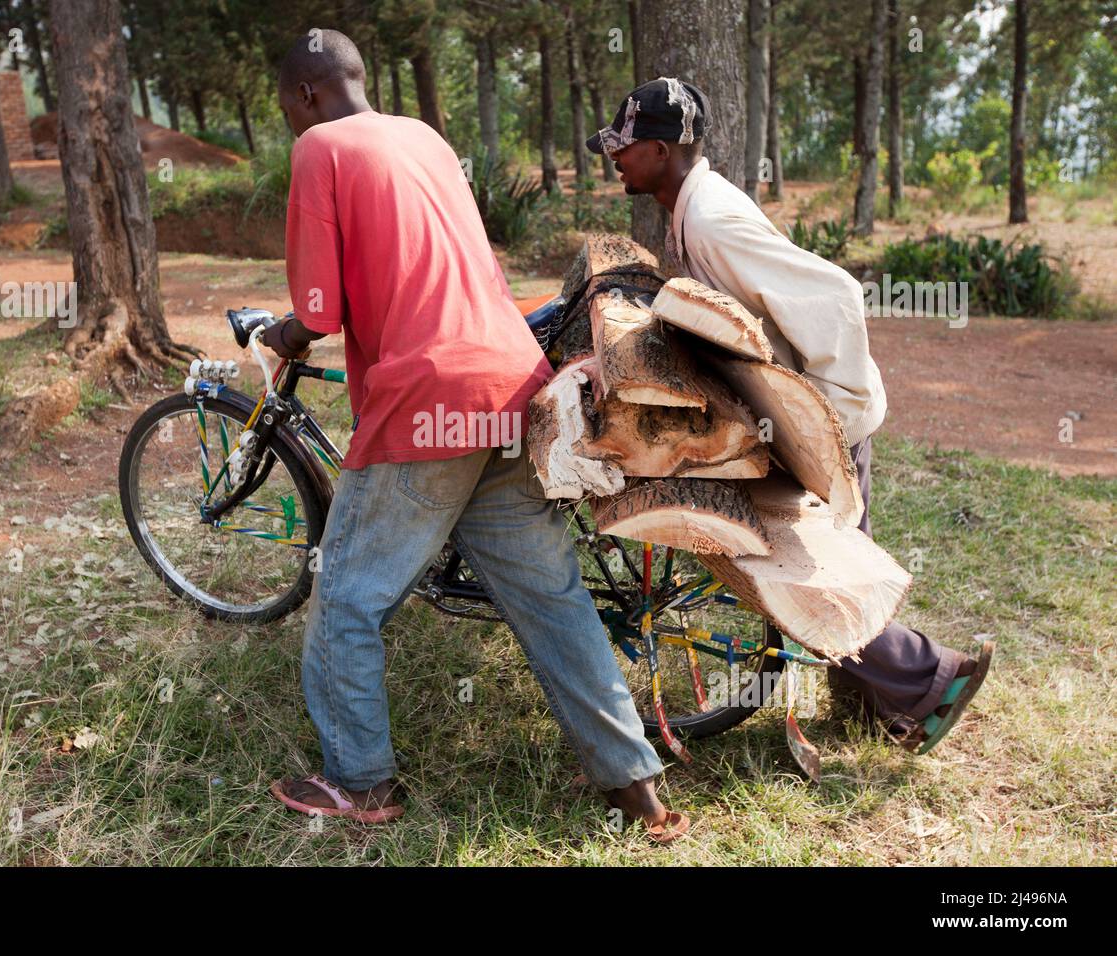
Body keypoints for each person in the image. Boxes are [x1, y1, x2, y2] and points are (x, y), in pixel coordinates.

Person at [257, 30, 686, 841]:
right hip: (510, 385)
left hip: (427, 402)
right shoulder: (423, 136)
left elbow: (317, 311)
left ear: (307, 94)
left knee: (347, 597)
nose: (289, 120)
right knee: (554, 603)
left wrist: (279, 336)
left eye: (285, 105)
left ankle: (358, 782)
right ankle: (639, 792)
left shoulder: (320, 147)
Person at [589, 77, 994, 754]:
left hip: (823, 421)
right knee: (833, 564)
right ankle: (883, 706)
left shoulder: (714, 219)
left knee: (814, 580)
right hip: (798, 418)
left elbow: (834, 295)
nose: (615, 159)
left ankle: (934, 680)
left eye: (624, 148)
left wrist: (824, 415)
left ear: (660, 150)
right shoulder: (688, 207)